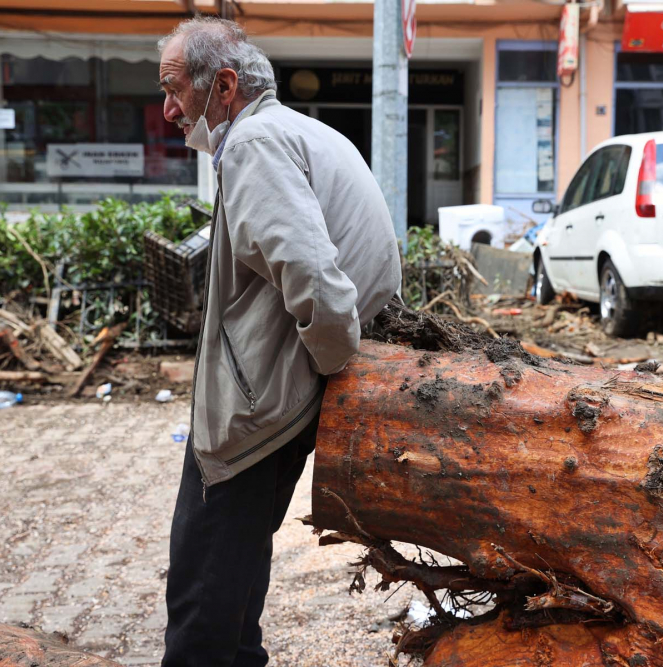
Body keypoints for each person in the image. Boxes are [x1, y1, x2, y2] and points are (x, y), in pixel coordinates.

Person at [156, 16, 402, 666]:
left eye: (175, 88)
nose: (168, 108)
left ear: (225, 85)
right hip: (271, 405)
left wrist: (325, 366)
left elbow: (319, 287)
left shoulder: (254, 144)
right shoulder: (290, 132)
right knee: (231, 597)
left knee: (202, 612)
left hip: (251, 417)